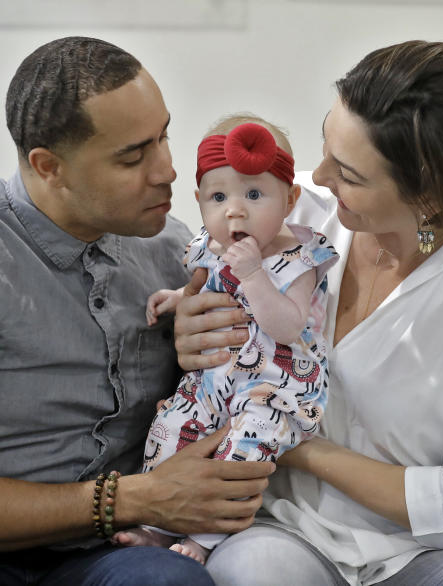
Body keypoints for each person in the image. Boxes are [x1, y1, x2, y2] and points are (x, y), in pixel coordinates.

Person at [0, 36, 275, 586]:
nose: (167, 170)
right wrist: (131, 497)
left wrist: (198, 351)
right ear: (50, 167)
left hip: (116, 552)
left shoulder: (173, 248)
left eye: (165, 135)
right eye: (133, 155)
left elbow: (257, 376)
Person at [172, 41, 443, 585]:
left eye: (349, 174)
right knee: (255, 572)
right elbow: (208, 256)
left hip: (432, 553)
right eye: (326, 142)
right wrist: (191, 321)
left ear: (428, 197)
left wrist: (304, 450)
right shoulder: (298, 211)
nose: (317, 175)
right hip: (286, 528)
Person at [111, 116, 339, 563]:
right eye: (218, 197)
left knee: (243, 450)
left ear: (290, 198)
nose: (235, 211)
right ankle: (159, 526)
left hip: (273, 387)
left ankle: (205, 539)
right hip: (214, 380)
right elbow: (201, 287)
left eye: (254, 195)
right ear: (199, 202)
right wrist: (175, 298)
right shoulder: (210, 245)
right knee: (170, 428)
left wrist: (254, 275)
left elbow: (289, 326)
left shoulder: (300, 258)